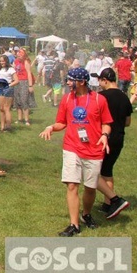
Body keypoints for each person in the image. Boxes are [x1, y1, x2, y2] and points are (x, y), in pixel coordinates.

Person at [38, 67, 112, 237]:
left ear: (82, 82)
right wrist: (51, 127)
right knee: (72, 185)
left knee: (90, 187)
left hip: (93, 149)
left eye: (71, 80)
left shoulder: (99, 100)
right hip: (71, 147)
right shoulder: (67, 99)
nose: (68, 83)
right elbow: (61, 123)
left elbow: (107, 122)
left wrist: (105, 135)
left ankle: (86, 214)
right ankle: (74, 224)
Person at [93, 68, 131, 218]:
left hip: (103, 138)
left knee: (94, 171)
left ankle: (115, 200)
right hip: (118, 138)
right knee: (107, 170)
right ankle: (108, 204)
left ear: (105, 80)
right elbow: (127, 122)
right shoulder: (124, 97)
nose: (99, 83)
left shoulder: (101, 97)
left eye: (99, 80)